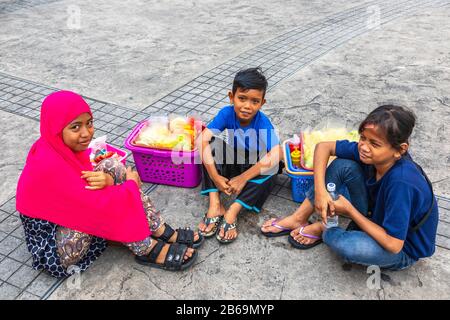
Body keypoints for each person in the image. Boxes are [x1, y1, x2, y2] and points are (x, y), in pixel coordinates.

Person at [16, 91, 203, 277]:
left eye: (89, 123)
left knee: (111, 165)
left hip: (71, 211)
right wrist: (130, 186)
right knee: (113, 199)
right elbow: (93, 206)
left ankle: (157, 229)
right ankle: (147, 248)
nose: (86, 133)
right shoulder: (48, 163)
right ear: (56, 130)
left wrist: (111, 180)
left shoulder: (60, 149)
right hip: (54, 248)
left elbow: (85, 189)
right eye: (75, 127)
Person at [261, 105, 439, 270]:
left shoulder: (402, 182)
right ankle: (298, 218)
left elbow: (393, 244)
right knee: (343, 164)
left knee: (347, 247)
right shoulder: (371, 153)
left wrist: (350, 210)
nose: (364, 147)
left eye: (374, 144)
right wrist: (321, 192)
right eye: (363, 138)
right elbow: (324, 147)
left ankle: (324, 228)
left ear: (400, 150)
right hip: (374, 214)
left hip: (402, 248)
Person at [197, 67, 282, 244]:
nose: (247, 106)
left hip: (253, 166)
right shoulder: (226, 113)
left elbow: (276, 153)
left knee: (273, 166)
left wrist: (243, 178)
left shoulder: (262, 121)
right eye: (242, 98)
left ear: (262, 103)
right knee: (209, 146)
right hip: (234, 160)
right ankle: (215, 204)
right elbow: (202, 140)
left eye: (254, 101)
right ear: (231, 97)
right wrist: (215, 176)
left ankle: (233, 210)